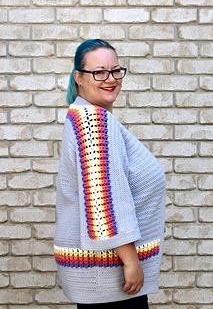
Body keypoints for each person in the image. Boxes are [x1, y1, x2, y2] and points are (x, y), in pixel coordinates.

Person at [54, 39, 166, 308]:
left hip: (104, 273)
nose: (111, 79)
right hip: (110, 275)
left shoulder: (85, 115)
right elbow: (103, 202)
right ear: (78, 78)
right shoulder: (93, 121)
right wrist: (131, 262)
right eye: (99, 72)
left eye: (116, 70)